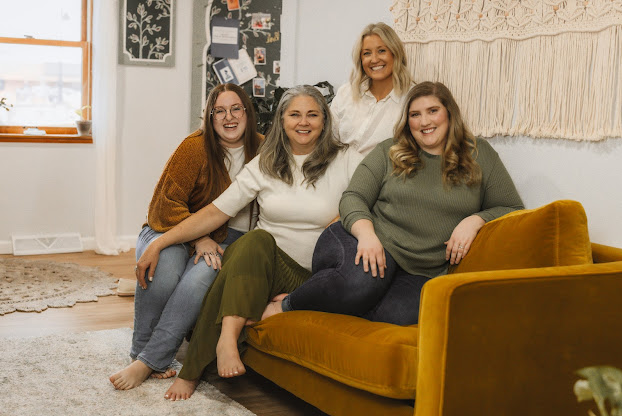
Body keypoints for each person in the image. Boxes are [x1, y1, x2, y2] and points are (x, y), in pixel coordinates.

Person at [133, 85, 363, 400]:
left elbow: (370, 203)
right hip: (268, 267)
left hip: (314, 276)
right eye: (294, 114)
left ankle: (189, 369)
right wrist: (158, 244)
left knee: (238, 253)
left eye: (312, 114)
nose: (303, 122)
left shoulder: (347, 158)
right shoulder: (267, 161)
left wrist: (346, 217)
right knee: (252, 243)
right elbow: (216, 212)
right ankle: (219, 347)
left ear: (325, 120)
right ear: (282, 120)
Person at [262, 81, 525, 326]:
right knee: (364, 281)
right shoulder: (389, 150)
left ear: (449, 113)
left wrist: (475, 220)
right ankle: (286, 305)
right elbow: (353, 197)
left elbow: (513, 209)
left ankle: (322, 296)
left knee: (394, 315)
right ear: (408, 121)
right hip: (360, 240)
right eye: (415, 114)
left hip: (421, 271)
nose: (424, 121)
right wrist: (367, 236)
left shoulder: (478, 154)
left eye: (433, 111)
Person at [109, 83, 261, 390]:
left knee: (198, 279)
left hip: (225, 238)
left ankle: (148, 361)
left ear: (247, 112)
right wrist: (199, 238)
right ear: (209, 116)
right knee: (164, 269)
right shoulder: (195, 147)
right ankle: (140, 351)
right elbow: (164, 206)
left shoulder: (263, 149)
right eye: (219, 111)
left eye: (236, 109)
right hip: (168, 228)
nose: (229, 117)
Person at [331, 22, 413, 155]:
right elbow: (328, 140)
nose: (374, 60)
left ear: (395, 53)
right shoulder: (345, 93)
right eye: (367, 53)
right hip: (339, 166)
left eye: (381, 51)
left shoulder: (412, 98)